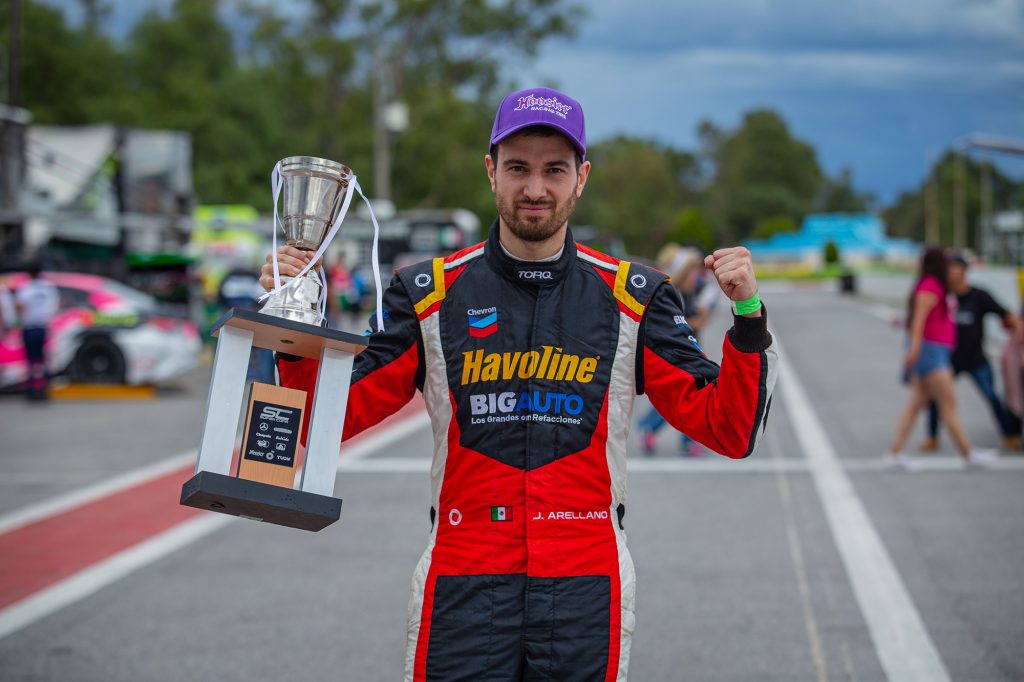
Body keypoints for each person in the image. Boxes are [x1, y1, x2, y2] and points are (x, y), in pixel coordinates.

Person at [261, 86, 777, 681]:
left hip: (585, 584)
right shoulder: (427, 293)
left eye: (554, 170)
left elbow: (727, 428)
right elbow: (326, 417)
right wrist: (293, 318)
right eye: (518, 169)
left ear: (581, 178)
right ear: (491, 172)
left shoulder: (635, 297)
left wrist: (748, 315)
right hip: (463, 581)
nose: (535, 188)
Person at [885, 247, 996, 469]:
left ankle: (895, 453)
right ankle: (968, 453)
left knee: (916, 404)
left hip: (934, 350)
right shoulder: (930, 286)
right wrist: (914, 349)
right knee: (948, 403)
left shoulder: (933, 286)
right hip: (931, 351)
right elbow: (919, 321)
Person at [920, 253, 1022, 452]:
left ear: (964, 271)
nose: (952, 273)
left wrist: (1017, 329)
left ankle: (1009, 435)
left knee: (991, 396)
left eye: (956, 269)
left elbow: (1005, 314)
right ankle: (932, 437)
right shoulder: (941, 295)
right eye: (949, 269)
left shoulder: (978, 295)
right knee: (935, 398)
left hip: (976, 358)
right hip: (948, 359)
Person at [637, 244, 717, 457]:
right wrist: (701, 319)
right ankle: (652, 427)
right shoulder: (675, 296)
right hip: (677, 355)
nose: (695, 276)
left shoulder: (689, 293)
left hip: (689, 352)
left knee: (688, 397)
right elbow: (683, 323)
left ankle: (684, 438)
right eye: (691, 272)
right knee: (684, 398)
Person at [13, 263, 59, 401]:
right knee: (42, 359)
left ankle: (32, 389)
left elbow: (19, 306)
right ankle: (43, 389)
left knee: (31, 360)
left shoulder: (26, 288)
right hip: (42, 326)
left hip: (29, 326)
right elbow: (54, 306)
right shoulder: (48, 287)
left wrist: (18, 323)